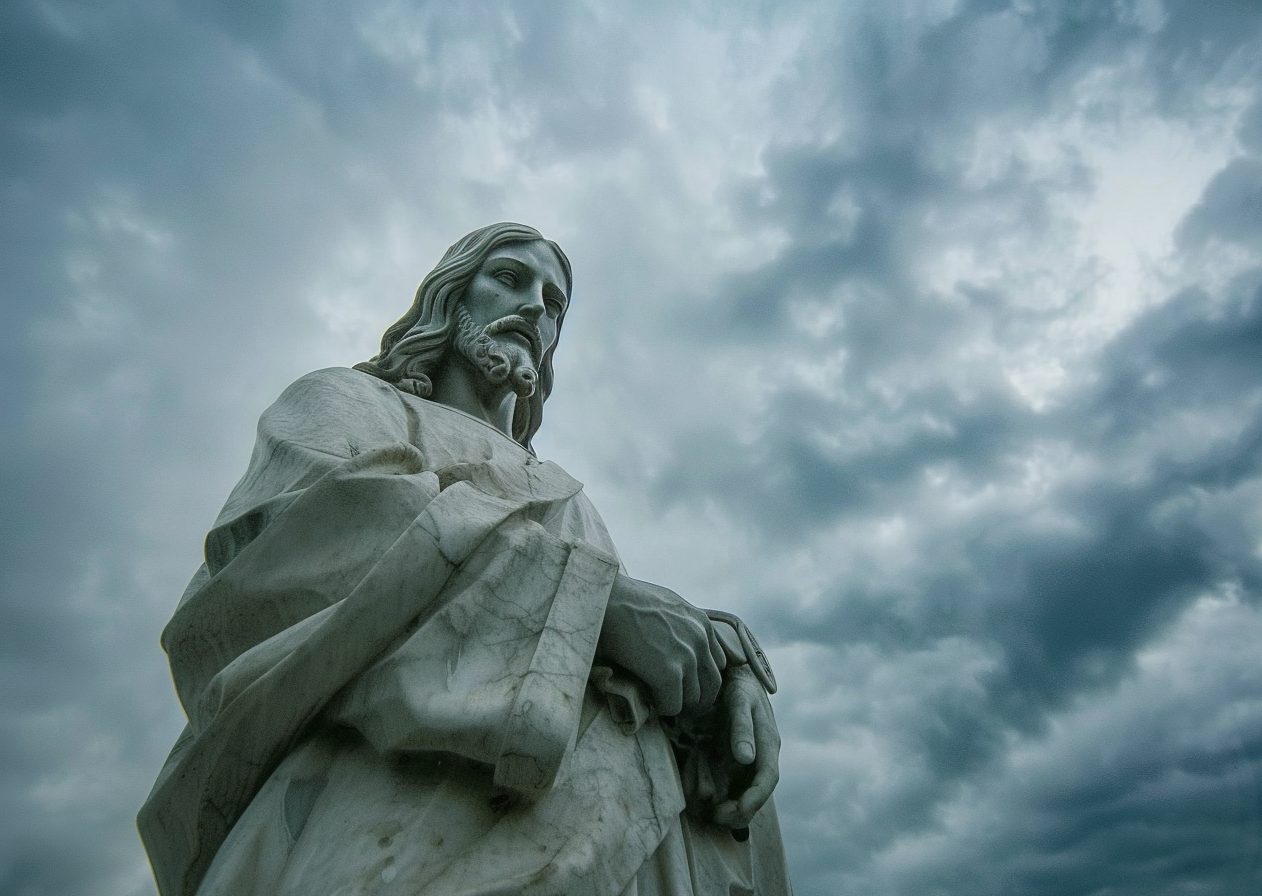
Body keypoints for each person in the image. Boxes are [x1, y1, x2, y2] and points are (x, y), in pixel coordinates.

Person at [138, 223, 792, 896]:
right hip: (390, 814)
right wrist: (599, 606)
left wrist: (719, 670)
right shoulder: (347, 403)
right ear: (451, 298)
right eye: (509, 278)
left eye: (555, 302)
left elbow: (634, 657)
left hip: (604, 830)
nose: (536, 307)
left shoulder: (572, 502)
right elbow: (300, 547)